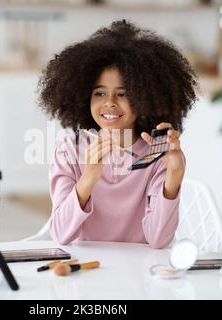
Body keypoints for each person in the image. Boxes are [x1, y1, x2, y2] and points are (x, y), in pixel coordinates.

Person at [38, 20, 197, 248]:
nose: (110, 103)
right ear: (84, 96)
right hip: (86, 270)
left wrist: (174, 176)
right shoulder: (69, 151)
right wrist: (89, 176)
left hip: (139, 274)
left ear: (145, 97)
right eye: (100, 93)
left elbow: (159, 240)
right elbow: (61, 235)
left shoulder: (158, 154)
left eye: (122, 94)